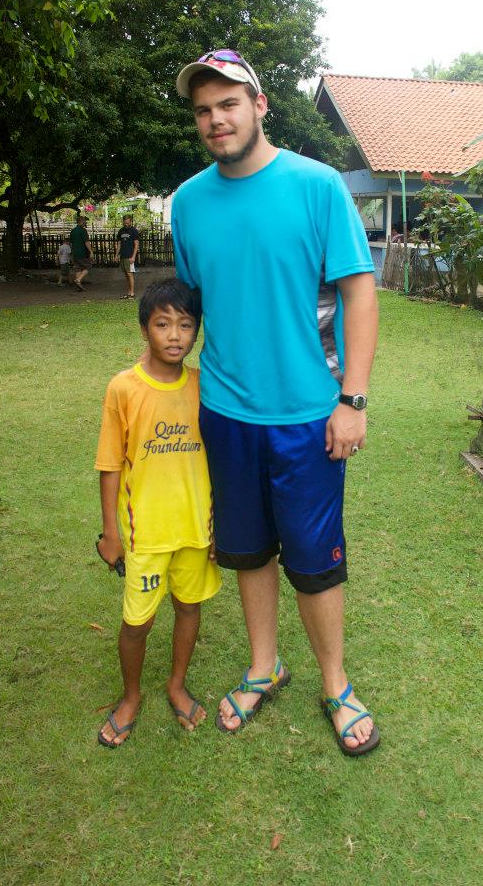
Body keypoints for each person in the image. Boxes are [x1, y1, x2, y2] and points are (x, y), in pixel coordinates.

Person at [171, 49, 380, 756]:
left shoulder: (318, 187)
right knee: (249, 550)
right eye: (202, 110)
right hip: (226, 413)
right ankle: (265, 666)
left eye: (228, 103)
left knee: (316, 561)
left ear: (259, 105)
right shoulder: (189, 203)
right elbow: (195, 304)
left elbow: (358, 292)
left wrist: (351, 398)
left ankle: (336, 684)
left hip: (307, 416)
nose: (215, 120)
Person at [94, 278, 221, 747]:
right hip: (145, 536)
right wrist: (111, 532)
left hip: (195, 531)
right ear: (144, 328)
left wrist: (218, 525)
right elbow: (110, 466)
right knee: (137, 622)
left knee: (189, 607)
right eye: (162, 323)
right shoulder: (124, 388)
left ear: (196, 332)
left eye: (185, 325)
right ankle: (131, 696)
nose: (174, 335)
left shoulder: (205, 385)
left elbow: (221, 457)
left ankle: (176, 683)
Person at [115, 214, 140, 299]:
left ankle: (132, 294)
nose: (126, 224)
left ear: (130, 222)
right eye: (125, 223)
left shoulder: (134, 231)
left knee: (130, 274)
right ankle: (129, 293)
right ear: (123, 222)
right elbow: (119, 244)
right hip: (123, 256)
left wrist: (133, 257)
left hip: (130, 256)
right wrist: (116, 254)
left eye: (128, 223)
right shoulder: (121, 231)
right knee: (126, 275)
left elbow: (136, 244)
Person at [70, 216, 92, 291]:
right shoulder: (83, 230)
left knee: (78, 269)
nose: (86, 222)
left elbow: (71, 242)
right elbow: (86, 242)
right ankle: (78, 280)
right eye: (85, 221)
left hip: (75, 253)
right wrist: (91, 251)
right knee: (88, 266)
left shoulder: (73, 231)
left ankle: (78, 287)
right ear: (82, 221)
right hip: (82, 253)